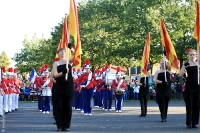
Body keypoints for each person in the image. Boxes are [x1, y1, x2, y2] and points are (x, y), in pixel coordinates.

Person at [52, 47, 74, 131]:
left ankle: (66, 125)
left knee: (68, 107)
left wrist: (71, 48)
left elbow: (77, 56)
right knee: (59, 107)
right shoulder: (56, 63)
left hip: (68, 87)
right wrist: (63, 72)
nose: (63, 53)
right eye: (61, 51)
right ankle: (60, 125)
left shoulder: (69, 61)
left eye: (64, 51)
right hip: (60, 87)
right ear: (58, 53)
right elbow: (55, 75)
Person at [179, 48, 199, 128]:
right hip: (189, 86)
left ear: (195, 55)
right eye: (190, 55)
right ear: (188, 56)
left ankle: (194, 123)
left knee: (196, 104)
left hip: (197, 86)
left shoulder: (198, 63)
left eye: (193, 54)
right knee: (189, 104)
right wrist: (184, 66)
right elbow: (180, 74)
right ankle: (189, 122)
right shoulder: (186, 64)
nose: (192, 56)